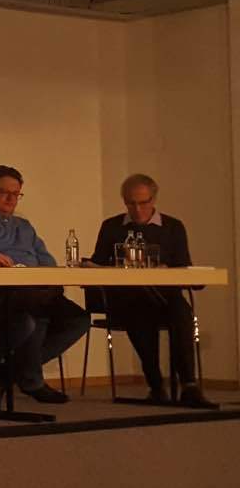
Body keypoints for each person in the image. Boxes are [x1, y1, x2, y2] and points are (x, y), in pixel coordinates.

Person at [0, 166, 88, 403]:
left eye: (16, 194)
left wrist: (45, 278)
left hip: (34, 288)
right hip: (0, 291)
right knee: (33, 315)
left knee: (78, 319)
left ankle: (11, 373)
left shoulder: (24, 225)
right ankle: (27, 378)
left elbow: (47, 260)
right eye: (4, 192)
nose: (11, 199)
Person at [91, 174, 215, 408]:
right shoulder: (112, 227)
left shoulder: (173, 227)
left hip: (165, 296)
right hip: (129, 298)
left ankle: (189, 384)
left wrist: (166, 269)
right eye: (131, 203)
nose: (137, 209)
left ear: (154, 199)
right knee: (138, 314)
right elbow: (98, 263)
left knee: (181, 313)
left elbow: (183, 265)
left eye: (143, 202)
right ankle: (156, 385)